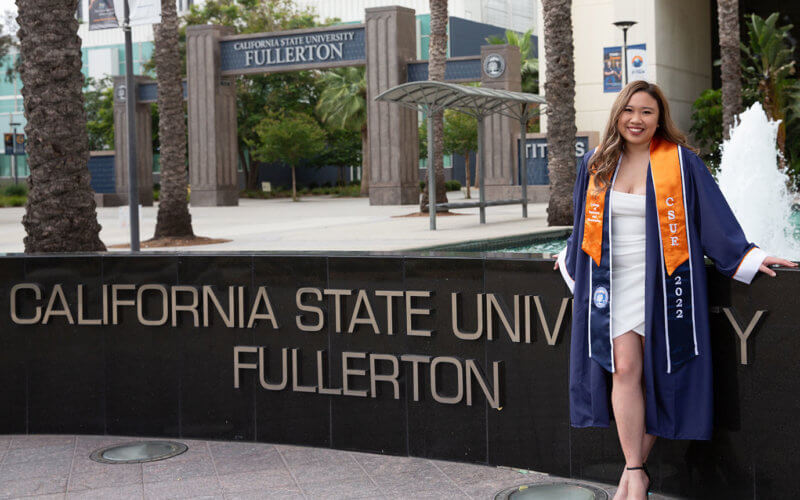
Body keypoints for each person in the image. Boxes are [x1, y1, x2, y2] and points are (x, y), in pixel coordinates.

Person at [553, 80, 796, 499]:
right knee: (625, 370)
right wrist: (569, 256)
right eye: (629, 110)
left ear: (659, 118)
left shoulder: (680, 164)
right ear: (618, 114)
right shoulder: (596, 163)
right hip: (612, 282)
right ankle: (636, 469)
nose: (636, 119)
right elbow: (583, 221)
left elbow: (714, 219)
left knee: (658, 378)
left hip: (665, 283)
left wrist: (750, 257)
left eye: (647, 112)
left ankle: (633, 476)